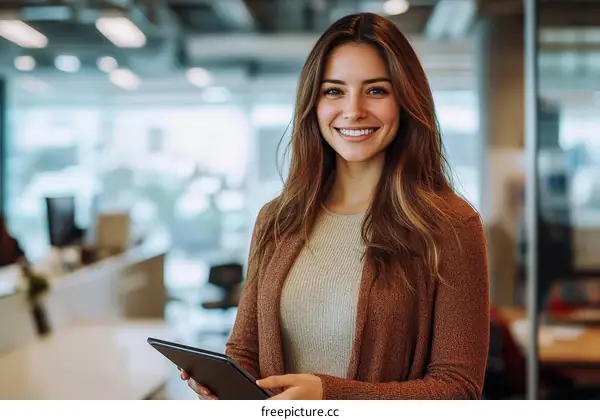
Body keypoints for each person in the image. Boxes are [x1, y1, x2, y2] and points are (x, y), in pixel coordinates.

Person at [181, 12, 490, 400]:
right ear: (314, 103)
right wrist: (219, 382)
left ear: (407, 100)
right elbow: (244, 350)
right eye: (334, 91)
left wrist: (330, 396)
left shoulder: (451, 225)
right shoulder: (277, 219)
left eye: (376, 90)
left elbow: (458, 390)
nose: (354, 110)